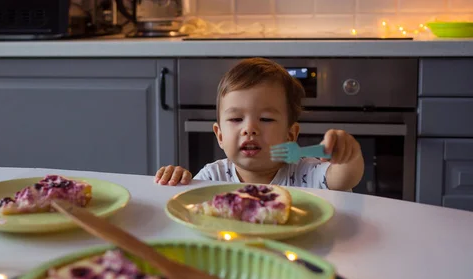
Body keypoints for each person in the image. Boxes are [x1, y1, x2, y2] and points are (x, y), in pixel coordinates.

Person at [154, 57, 364, 190]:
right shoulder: (212, 178)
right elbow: (190, 208)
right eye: (236, 119)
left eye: (266, 119)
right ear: (219, 135)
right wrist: (178, 182)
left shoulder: (306, 173)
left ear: (290, 135)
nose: (249, 129)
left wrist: (347, 156)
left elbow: (343, 180)